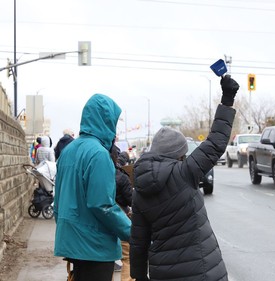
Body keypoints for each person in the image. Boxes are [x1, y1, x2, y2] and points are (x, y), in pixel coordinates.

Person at [130, 74, 239, 281]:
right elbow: (215, 143)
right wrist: (227, 99)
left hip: (163, 273)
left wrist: (139, 276)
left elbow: (138, 241)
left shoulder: (140, 190)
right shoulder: (184, 172)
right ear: (178, 154)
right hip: (202, 271)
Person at [54, 93, 132, 281]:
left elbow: (58, 202)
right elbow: (102, 205)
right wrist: (133, 233)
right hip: (94, 247)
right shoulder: (99, 154)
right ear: (106, 121)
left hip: (72, 242)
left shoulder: (68, 151)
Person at [110, 147, 134, 281]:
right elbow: (131, 200)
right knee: (128, 257)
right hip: (120, 219)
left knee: (106, 260)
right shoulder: (122, 176)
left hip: (100, 223)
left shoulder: (96, 173)